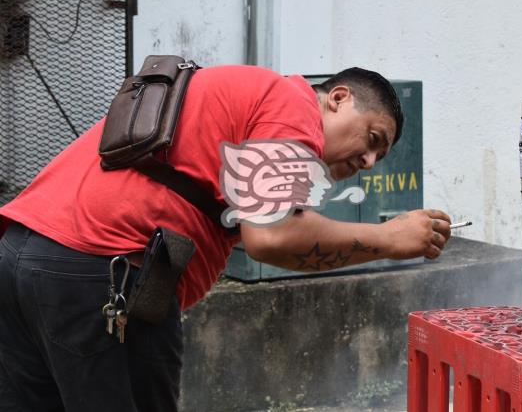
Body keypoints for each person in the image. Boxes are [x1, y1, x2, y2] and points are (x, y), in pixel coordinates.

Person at [0, 64, 452, 412]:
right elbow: (274, 237)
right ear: (337, 98)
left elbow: (263, 232)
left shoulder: (245, 99)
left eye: (380, 155)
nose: (370, 160)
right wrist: (391, 238)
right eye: (373, 138)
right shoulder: (293, 105)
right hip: (97, 271)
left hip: (23, 252)